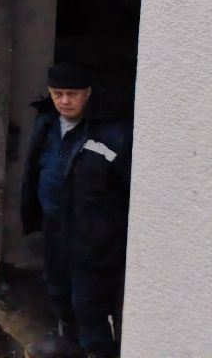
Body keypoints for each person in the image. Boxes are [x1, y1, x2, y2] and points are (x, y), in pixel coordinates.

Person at [20, 63, 132, 358]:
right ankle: (68, 347)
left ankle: (97, 352)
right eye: (58, 94)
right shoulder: (45, 123)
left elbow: (125, 188)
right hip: (56, 229)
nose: (65, 101)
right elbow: (35, 170)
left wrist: (109, 234)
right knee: (59, 291)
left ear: (88, 93)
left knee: (90, 304)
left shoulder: (113, 133)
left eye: (72, 94)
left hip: (92, 238)